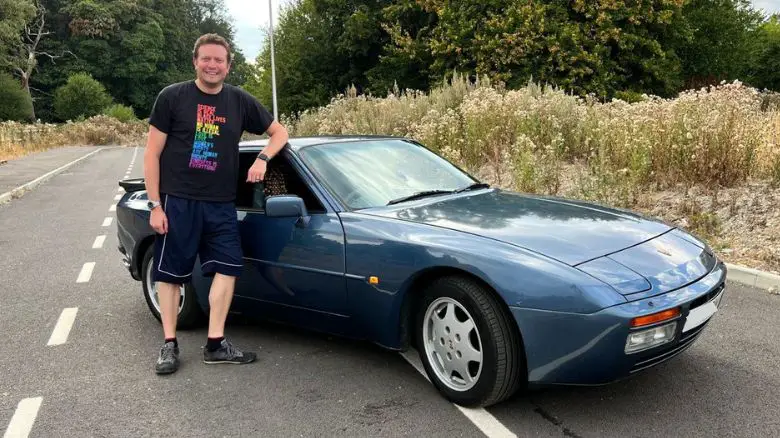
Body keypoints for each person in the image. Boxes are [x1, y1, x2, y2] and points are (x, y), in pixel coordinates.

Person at [143, 33, 289, 375]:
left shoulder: (239, 101)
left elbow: (279, 132)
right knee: (170, 275)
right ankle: (169, 344)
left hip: (221, 205)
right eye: (206, 59)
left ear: (228, 64)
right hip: (177, 202)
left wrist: (263, 159)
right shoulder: (172, 97)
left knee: (228, 269)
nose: (212, 65)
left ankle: (215, 344)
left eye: (219, 60)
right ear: (195, 61)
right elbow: (152, 153)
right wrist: (155, 205)